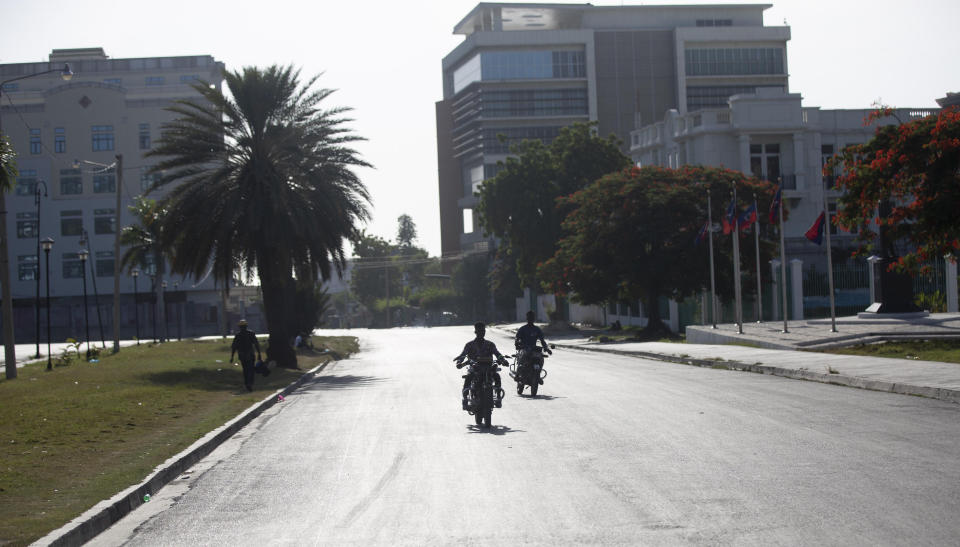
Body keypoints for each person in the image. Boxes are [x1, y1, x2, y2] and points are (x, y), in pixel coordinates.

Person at [454, 322, 506, 410]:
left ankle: (498, 398)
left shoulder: (490, 344)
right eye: (480, 331)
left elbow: (497, 354)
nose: (482, 333)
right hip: (475, 368)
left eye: (483, 331)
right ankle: (465, 399)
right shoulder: (469, 345)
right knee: (469, 377)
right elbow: (463, 355)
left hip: (488, 368)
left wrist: (503, 360)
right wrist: (459, 362)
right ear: (475, 332)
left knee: (496, 376)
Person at [515, 311, 552, 384]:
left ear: (534, 319)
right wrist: (517, 343)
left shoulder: (537, 329)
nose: (530, 319)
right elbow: (517, 338)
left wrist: (546, 348)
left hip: (534, 349)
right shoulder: (523, 329)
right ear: (527, 318)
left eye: (532, 317)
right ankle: (518, 375)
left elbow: (542, 340)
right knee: (522, 360)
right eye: (529, 317)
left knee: (541, 358)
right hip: (524, 348)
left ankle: (538, 375)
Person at [230, 319, 262, 392]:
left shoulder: (238, 335)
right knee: (250, 369)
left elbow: (234, 347)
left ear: (239, 327)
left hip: (242, 355)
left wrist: (232, 357)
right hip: (250, 354)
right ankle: (249, 383)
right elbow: (256, 344)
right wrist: (259, 354)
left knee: (245, 370)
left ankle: (247, 383)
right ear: (246, 326)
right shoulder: (251, 333)